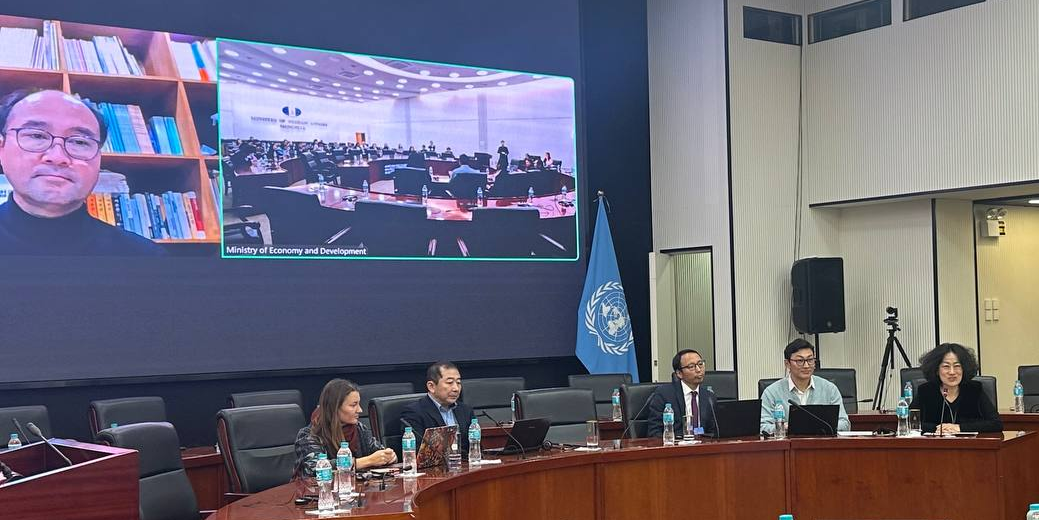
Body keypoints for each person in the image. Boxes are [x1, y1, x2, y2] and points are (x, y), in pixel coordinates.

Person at [0, 89, 165, 256]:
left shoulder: (147, 258)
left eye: (79, 142)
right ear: (2, 148)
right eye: (37, 136)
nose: (58, 157)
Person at [294, 379, 397, 479]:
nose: (360, 410)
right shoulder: (309, 435)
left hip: (353, 486)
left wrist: (388, 456)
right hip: (316, 490)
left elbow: (377, 451)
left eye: (359, 404)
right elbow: (315, 469)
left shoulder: (359, 428)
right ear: (335, 408)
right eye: (353, 405)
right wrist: (368, 461)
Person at [760, 338, 851, 433]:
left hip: (821, 441)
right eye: (800, 361)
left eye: (810, 360)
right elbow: (762, 426)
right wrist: (784, 427)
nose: (806, 365)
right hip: (789, 442)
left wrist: (818, 426)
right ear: (787, 364)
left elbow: (845, 423)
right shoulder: (772, 392)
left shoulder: (829, 389)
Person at [909, 343, 1002, 433]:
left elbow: (996, 424)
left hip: (969, 443)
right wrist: (936, 428)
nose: (952, 372)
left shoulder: (974, 389)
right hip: (934, 443)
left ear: (964, 368)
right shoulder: (925, 391)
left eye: (957, 366)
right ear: (936, 370)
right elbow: (910, 423)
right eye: (946, 366)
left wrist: (960, 428)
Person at [400, 361, 475, 452]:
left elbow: (475, 447)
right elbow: (417, 452)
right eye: (449, 382)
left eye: (458, 383)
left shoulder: (466, 411)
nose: (456, 388)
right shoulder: (414, 413)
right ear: (431, 386)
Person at [647, 349, 718, 438]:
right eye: (691, 366)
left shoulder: (709, 396)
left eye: (700, 364)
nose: (698, 369)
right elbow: (654, 431)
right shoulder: (664, 394)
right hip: (675, 444)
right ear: (679, 373)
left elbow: (713, 431)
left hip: (703, 444)